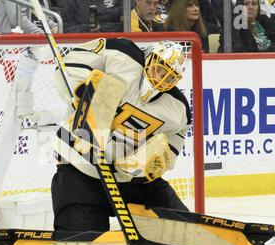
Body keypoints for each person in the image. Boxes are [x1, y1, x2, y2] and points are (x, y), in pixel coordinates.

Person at [51, 38, 190, 232]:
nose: (162, 77)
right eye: (161, 68)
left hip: (128, 179)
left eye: (170, 76)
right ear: (150, 57)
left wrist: (149, 164)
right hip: (79, 168)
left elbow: (174, 143)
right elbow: (69, 65)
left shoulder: (178, 108)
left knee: (182, 227)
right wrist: (82, 92)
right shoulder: (121, 53)